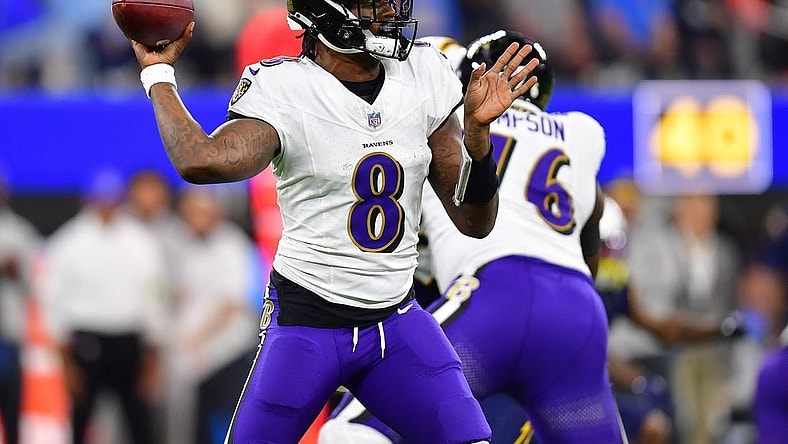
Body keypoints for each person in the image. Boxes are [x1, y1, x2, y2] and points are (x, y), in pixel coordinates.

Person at [126, 0, 541, 441]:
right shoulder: (285, 87)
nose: (388, 10)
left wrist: (477, 141)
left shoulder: (424, 72)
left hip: (395, 322)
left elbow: (475, 222)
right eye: (370, 1)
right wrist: (158, 73)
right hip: (307, 326)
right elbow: (200, 160)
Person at [320, 29, 626, 443]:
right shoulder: (579, 133)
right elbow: (591, 231)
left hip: (492, 298)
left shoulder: (440, 125)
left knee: (349, 430)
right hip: (577, 311)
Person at [37, 168, 168, 444]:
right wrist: (66, 362)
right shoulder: (68, 243)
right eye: (100, 198)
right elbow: (52, 300)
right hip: (87, 342)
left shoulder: (140, 241)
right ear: (87, 200)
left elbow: (154, 295)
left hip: (128, 342)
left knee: (140, 424)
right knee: (81, 421)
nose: (106, 205)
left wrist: (153, 355)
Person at [165, 185, 259, 444]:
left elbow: (233, 301)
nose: (196, 217)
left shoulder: (232, 244)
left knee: (230, 419)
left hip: (228, 351)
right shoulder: (183, 246)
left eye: (201, 211)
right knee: (198, 425)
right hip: (196, 359)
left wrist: (200, 334)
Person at [0, 171, 42, 444]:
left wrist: (18, 272)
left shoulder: (20, 232)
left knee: (11, 406)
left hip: (8, 336)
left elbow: (37, 283)